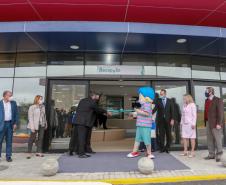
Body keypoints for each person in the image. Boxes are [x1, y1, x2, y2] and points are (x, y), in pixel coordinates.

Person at [73, 91, 111, 158]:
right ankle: (81, 154)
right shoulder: (92, 102)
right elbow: (97, 109)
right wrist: (106, 112)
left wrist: (103, 113)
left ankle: (85, 150)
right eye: (98, 96)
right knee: (82, 138)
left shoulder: (83, 100)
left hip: (81, 122)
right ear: (94, 96)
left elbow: (91, 110)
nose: (98, 97)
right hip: (83, 122)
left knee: (86, 137)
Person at [127, 87, 155, 159]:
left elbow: (146, 113)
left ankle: (149, 153)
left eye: (140, 94)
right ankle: (135, 152)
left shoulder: (147, 104)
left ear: (145, 96)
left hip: (145, 125)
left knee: (147, 140)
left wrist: (137, 111)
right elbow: (140, 113)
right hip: (140, 124)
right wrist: (133, 113)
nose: (139, 95)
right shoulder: (142, 104)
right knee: (137, 139)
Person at [204, 87, 224, 162]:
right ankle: (211, 154)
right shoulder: (206, 100)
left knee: (217, 139)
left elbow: (220, 112)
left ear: (211, 92)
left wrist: (219, 123)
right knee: (209, 139)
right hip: (208, 122)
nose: (205, 92)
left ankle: (219, 154)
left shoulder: (217, 100)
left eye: (206, 91)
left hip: (216, 123)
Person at [153, 89, 175, 153]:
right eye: (160, 94)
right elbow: (155, 109)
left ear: (165, 94)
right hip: (160, 121)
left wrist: (172, 119)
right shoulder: (158, 101)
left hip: (168, 121)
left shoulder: (170, 101)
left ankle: (167, 148)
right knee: (161, 135)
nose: (161, 95)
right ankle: (162, 148)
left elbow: (172, 111)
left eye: (162, 94)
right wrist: (148, 113)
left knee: (168, 134)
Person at [0, 90, 19, 162]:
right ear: (5, 96)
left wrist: (15, 123)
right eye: (9, 95)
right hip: (1, 124)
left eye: (11, 95)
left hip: (10, 124)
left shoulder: (13, 103)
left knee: (9, 141)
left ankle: (8, 156)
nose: (11, 97)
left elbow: (16, 114)